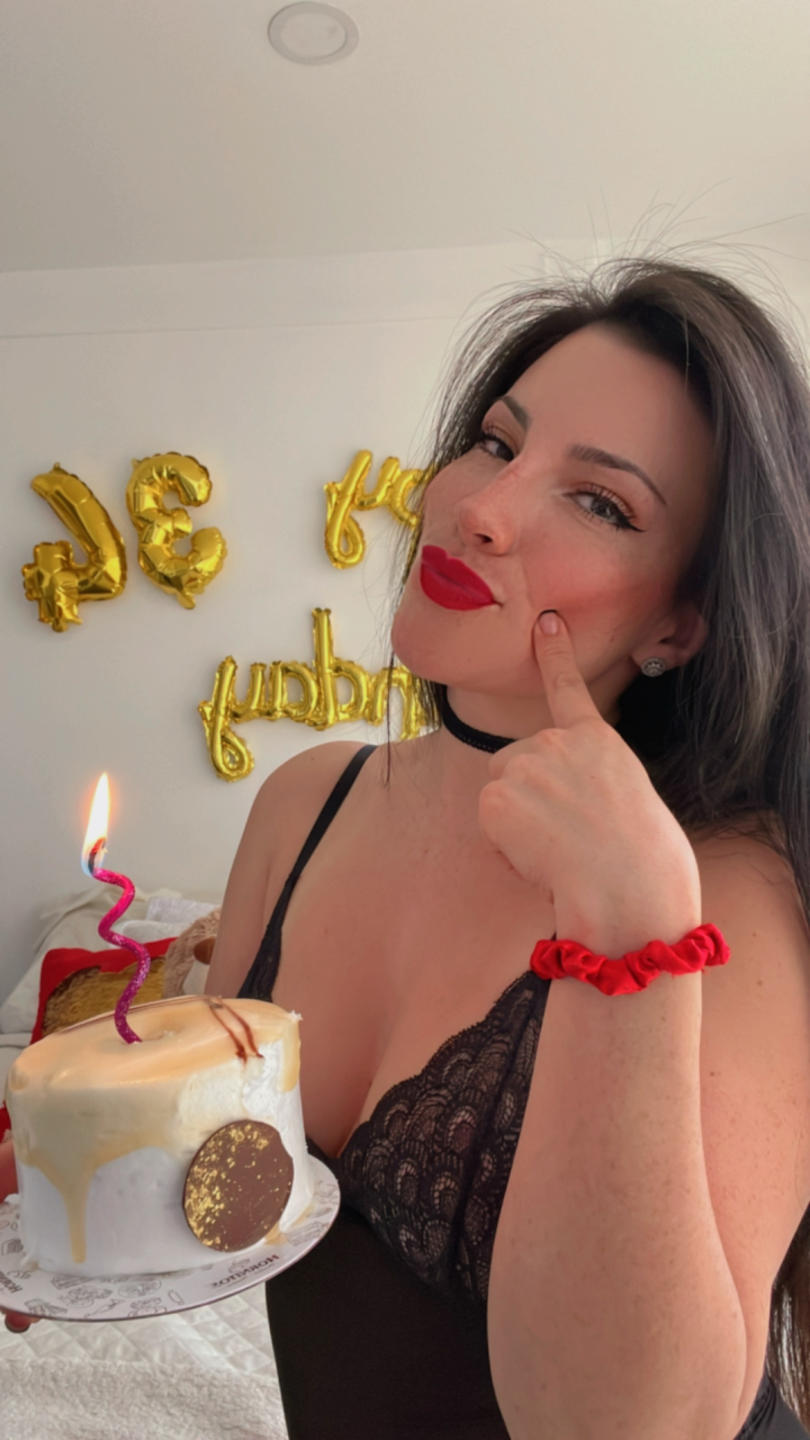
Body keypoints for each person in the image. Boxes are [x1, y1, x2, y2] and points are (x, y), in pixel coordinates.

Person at [4, 257, 810, 1440]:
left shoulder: (729, 890)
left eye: (601, 503)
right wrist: (70, 1201)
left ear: (680, 623)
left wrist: (630, 927)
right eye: (497, 442)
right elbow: (224, 1173)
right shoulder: (307, 801)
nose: (481, 506)